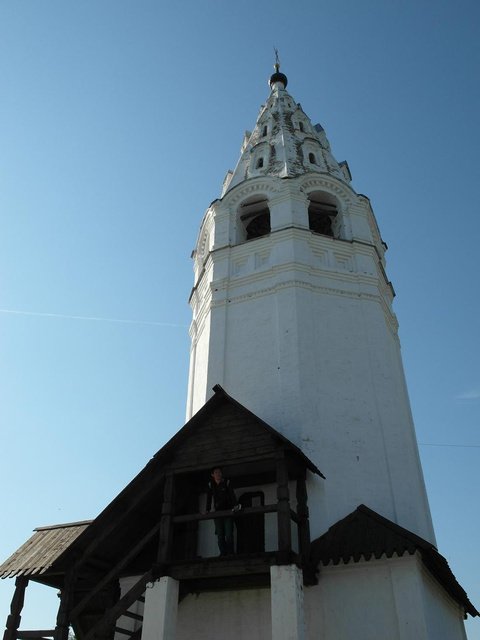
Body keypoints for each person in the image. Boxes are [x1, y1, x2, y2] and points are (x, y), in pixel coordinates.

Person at [205, 467, 240, 556]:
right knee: (220, 535)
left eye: (220, 472)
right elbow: (209, 498)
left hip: (228, 511)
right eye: (216, 472)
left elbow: (232, 494)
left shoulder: (226, 483)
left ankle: (231, 553)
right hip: (217, 513)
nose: (218, 474)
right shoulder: (210, 485)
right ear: (212, 475)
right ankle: (223, 554)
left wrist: (235, 505)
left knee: (229, 534)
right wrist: (207, 509)